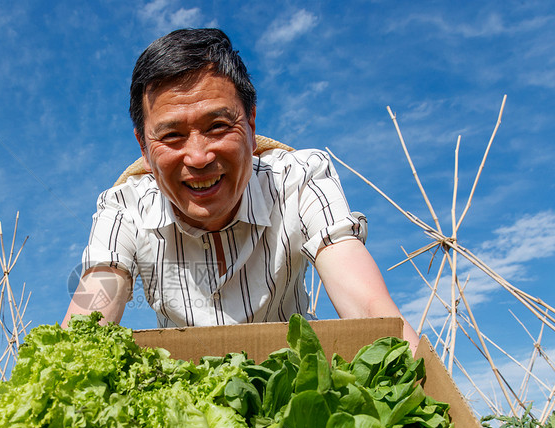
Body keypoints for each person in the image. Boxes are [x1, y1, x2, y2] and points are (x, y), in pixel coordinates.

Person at [63, 28, 419, 352]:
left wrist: (419, 381)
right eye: (172, 135)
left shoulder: (299, 179)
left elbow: (370, 308)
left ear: (250, 123)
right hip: (187, 403)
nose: (199, 157)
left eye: (218, 126)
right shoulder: (124, 207)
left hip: (292, 394)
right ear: (143, 146)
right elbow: (88, 321)